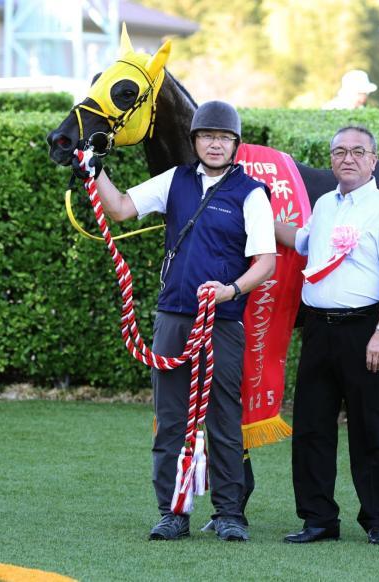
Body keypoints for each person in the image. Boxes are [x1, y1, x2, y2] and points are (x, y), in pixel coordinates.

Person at [76, 101, 276, 542]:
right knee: (169, 418)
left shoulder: (251, 192)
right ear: (195, 141)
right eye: (208, 136)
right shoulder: (176, 180)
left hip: (222, 318)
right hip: (173, 316)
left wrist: (232, 291)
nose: (216, 143)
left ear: (236, 144)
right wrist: (95, 169)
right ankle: (172, 512)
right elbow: (123, 208)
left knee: (224, 418)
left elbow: (265, 261)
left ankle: (229, 514)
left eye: (224, 137)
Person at [275, 126, 379, 545]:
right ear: (331, 159)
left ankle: (377, 522)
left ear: (374, 159)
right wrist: (251, 210)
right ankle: (318, 519)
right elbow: (299, 240)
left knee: (371, 428)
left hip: (364, 329)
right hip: (318, 329)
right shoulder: (324, 204)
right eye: (339, 152)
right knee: (312, 427)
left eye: (357, 152)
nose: (347, 158)